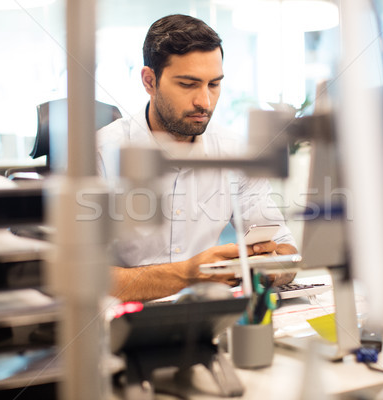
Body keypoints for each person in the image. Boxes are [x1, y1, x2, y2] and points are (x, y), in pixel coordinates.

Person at [97, 14, 297, 302]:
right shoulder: (101, 154)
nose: (204, 101)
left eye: (214, 84)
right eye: (188, 84)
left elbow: (286, 250)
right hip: (123, 326)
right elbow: (77, 277)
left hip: (211, 319)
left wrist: (267, 266)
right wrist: (188, 274)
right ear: (149, 81)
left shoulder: (234, 153)